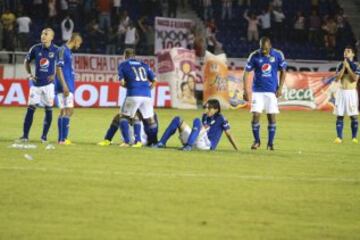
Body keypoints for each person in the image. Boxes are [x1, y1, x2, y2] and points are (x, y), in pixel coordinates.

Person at [243, 37, 287, 150]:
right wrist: (245, 90)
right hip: (257, 91)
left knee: (271, 117)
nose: (264, 51)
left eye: (266, 49)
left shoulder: (278, 55)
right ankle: (257, 141)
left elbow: (283, 71)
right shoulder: (254, 55)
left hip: (271, 92)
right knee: (256, 115)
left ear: (270, 46)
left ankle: (270, 143)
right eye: (262, 48)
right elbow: (246, 73)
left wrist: (280, 88)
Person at [18, 28, 58, 143]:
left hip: (49, 86)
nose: (43, 36)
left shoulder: (56, 50)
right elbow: (26, 61)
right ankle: (25, 136)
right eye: (42, 34)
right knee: (30, 109)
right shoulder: (35, 48)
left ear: (51, 37)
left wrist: (54, 74)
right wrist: (29, 74)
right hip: (36, 85)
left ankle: (44, 137)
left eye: (46, 34)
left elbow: (61, 65)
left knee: (48, 109)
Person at [154, 99, 238, 151]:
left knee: (197, 120)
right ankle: (161, 143)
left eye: (209, 108)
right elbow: (199, 131)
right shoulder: (205, 116)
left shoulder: (221, 118)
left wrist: (236, 149)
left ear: (216, 109)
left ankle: (188, 146)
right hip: (197, 140)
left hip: (207, 145)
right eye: (206, 107)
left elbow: (229, 134)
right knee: (177, 119)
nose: (206, 110)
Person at [118, 48, 158, 147]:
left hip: (133, 93)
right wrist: (148, 88)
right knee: (149, 120)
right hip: (147, 95)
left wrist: (131, 86)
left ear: (125, 55)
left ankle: (126, 142)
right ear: (134, 55)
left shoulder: (123, 65)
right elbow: (155, 81)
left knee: (124, 117)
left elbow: (122, 82)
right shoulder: (144, 65)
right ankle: (152, 142)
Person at [55, 33, 83, 145]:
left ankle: (61, 139)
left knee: (63, 111)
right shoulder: (62, 50)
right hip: (65, 85)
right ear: (75, 40)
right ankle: (64, 139)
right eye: (79, 43)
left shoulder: (68, 51)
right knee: (69, 111)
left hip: (65, 84)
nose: (79, 45)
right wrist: (65, 85)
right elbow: (58, 68)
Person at [333, 46, 360, 144]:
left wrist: (348, 67)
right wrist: (344, 67)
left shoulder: (357, 66)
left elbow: (354, 79)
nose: (346, 53)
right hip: (341, 92)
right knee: (339, 115)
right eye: (344, 51)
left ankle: (354, 137)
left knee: (353, 116)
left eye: (348, 51)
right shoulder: (340, 65)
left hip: (351, 93)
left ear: (353, 54)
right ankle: (339, 137)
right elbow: (337, 79)